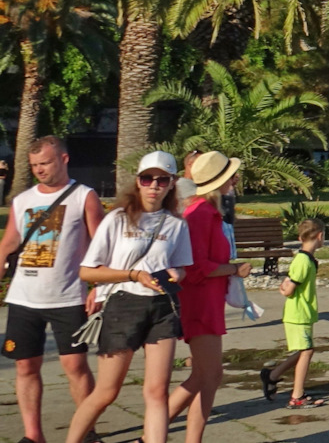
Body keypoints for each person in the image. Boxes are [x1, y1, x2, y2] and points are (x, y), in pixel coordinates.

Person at [68, 151, 193, 443]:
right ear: (137, 181)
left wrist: (175, 274)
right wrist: (133, 275)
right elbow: (87, 271)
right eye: (147, 179)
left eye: (162, 180)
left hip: (162, 307)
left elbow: (182, 267)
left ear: (172, 184)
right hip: (123, 304)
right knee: (107, 391)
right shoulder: (118, 219)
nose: (154, 186)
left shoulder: (176, 224)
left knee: (157, 391)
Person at [0, 137, 104, 443]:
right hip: (23, 297)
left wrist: (98, 287)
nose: (39, 170)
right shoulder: (23, 200)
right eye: (34, 165)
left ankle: (87, 432)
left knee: (75, 365)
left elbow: (101, 245)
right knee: (25, 365)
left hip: (68, 296)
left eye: (45, 163)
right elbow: (9, 242)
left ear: (63, 159)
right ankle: (33, 436)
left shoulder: (84, 196)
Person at [165, 152, 250, 443]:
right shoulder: (201, 214)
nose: (235, 180)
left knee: (204, 375)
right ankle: (154, 432)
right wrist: (235, 269)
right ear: (219, 181)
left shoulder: (204, 211)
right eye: (230, 175)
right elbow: (198, 267)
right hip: (200, 303)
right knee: (209, 375)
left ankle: (160, 432)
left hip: (206, 301)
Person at [259, 220, 324, 408]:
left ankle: (272, 376)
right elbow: (288, 289)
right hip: (298, 314)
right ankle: (297, 396)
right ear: (320, 236)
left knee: (305, 350)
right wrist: (285, 288)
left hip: (303, 313)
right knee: (307, 351)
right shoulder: (303, 261)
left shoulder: (305, 259)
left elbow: (289, 281)